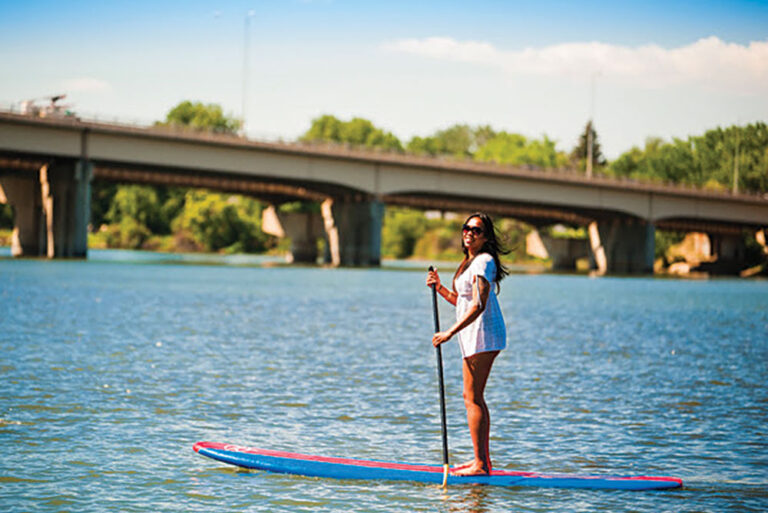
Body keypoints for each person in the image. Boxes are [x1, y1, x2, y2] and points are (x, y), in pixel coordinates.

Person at [426, 212, 508, 476]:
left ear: (486, 238)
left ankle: (481, 465)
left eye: (476, 230)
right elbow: (462, 302)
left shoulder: (484, 261)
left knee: (473, 398)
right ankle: (482, 462)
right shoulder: (469, 262)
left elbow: (479, 305)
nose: (469, 233)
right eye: (466, 228)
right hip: (473, 334)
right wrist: (440, 288)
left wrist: (449, 332)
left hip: (484, 333)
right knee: (472, 397)